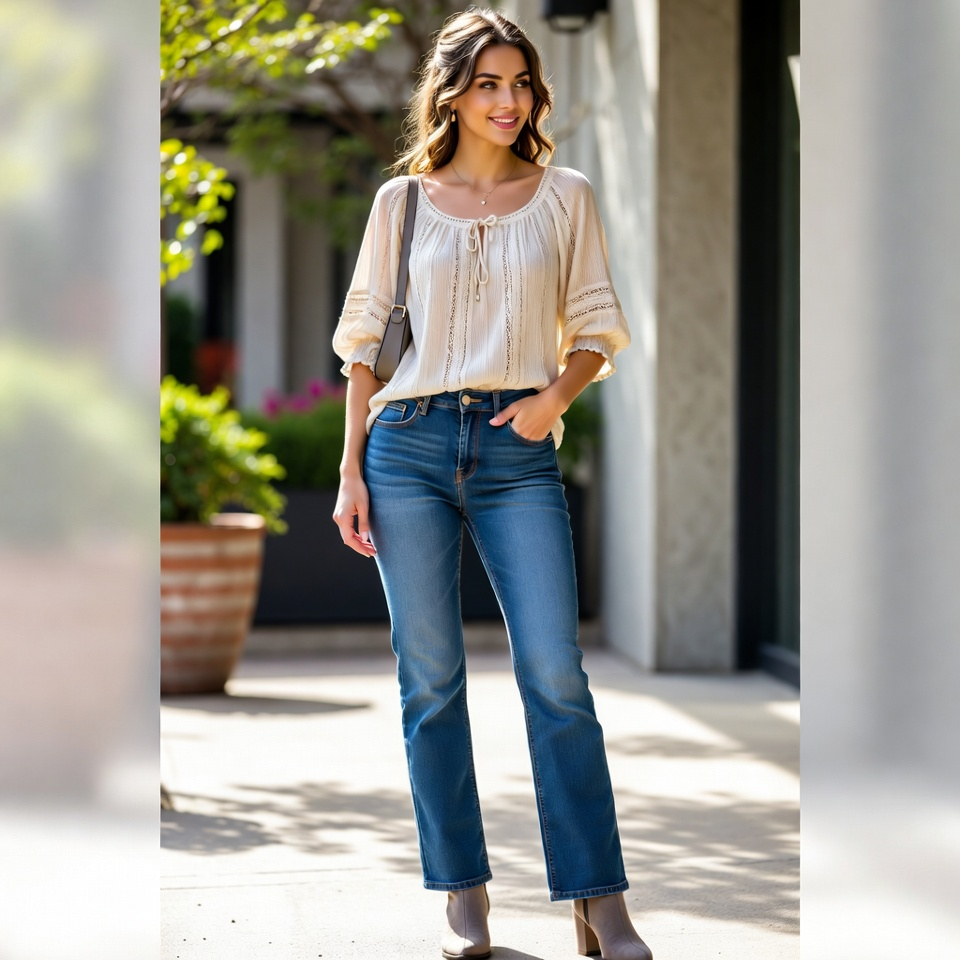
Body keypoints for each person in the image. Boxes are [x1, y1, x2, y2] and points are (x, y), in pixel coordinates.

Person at [332, 9, 652, 960]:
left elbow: (598, 326)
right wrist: (350, 468)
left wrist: (554, 398)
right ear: (454, 94)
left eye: (520, 84)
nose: (508, 102)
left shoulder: (566, 196)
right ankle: (464, 898)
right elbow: (362, 346)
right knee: (429, 681)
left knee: (557, 675)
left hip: (518, 451)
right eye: (489, 84)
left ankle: (600, 903)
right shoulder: (404, 203)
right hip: (407, 448)